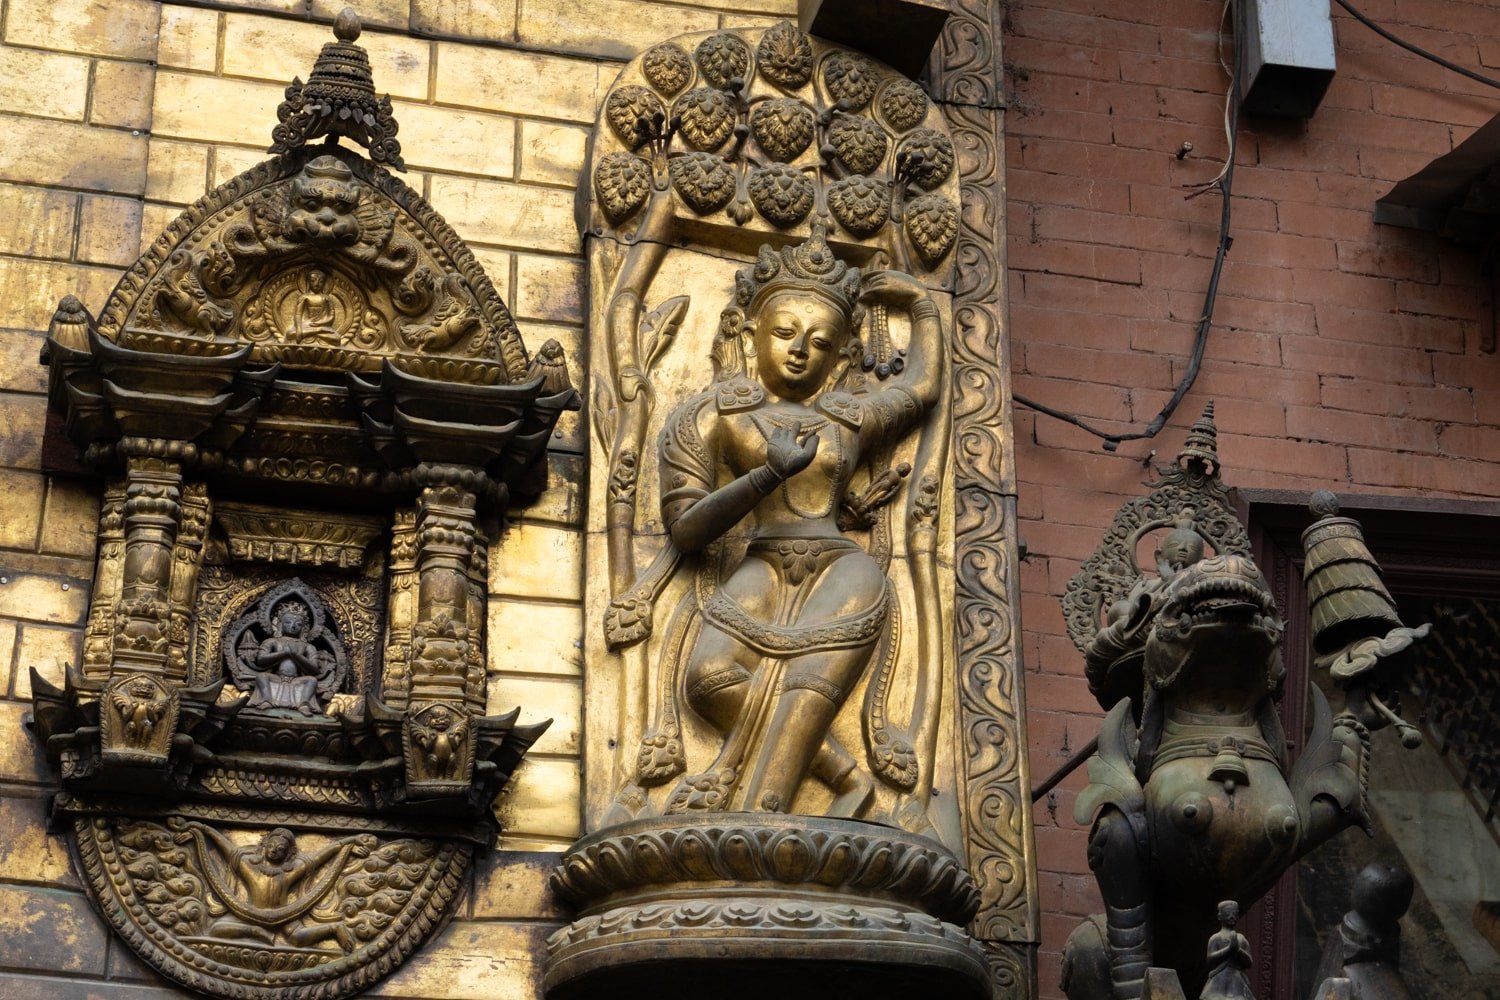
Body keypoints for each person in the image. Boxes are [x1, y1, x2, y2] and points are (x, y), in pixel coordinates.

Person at [657, 230, 944, 817]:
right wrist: (765, 476)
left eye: (819, 342)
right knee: (708, 678)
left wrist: (922, 307)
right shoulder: (715, 415)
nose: (799, 350)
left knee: (807, 691)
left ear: (839, 355)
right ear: (750, 332)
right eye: (784, 332)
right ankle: (844, 780)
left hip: (843, 570)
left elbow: (920, 388)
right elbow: (686, 528)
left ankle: (758, 815)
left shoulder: (845, 418)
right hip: (762, 563)